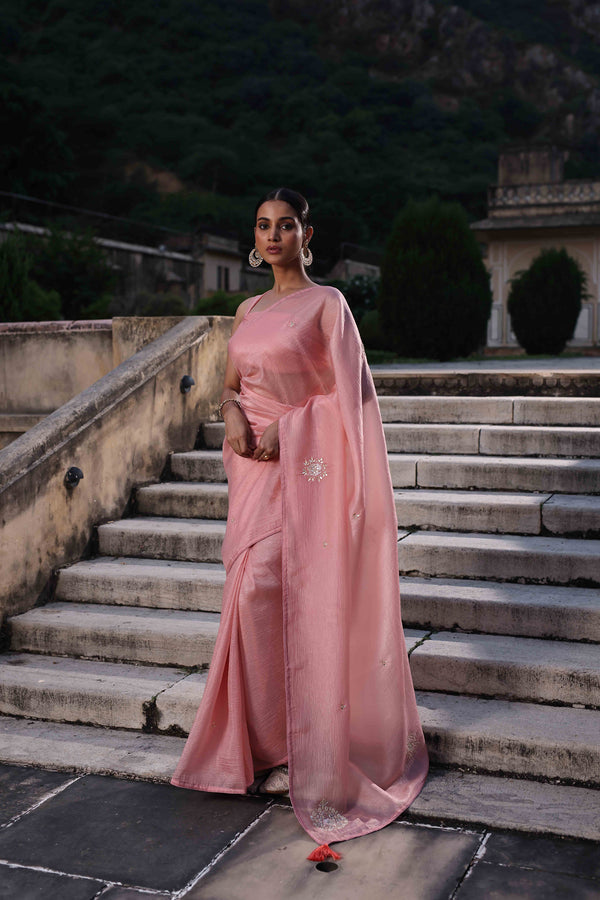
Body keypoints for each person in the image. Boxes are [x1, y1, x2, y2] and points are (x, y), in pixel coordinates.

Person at [170, 188, 428, 861]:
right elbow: (229, 383)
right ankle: (253, 747)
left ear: (306, 234)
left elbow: (350, 400)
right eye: (262, 226)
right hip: (249, 472)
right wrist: (231, 417)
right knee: (250, 596)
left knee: (278, 592)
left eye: (285, 225)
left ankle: (303, 741)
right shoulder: (249, 308)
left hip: (302, 471)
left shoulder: (328, 305)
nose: (273, 235)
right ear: (254, 239)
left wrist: (292, 432)